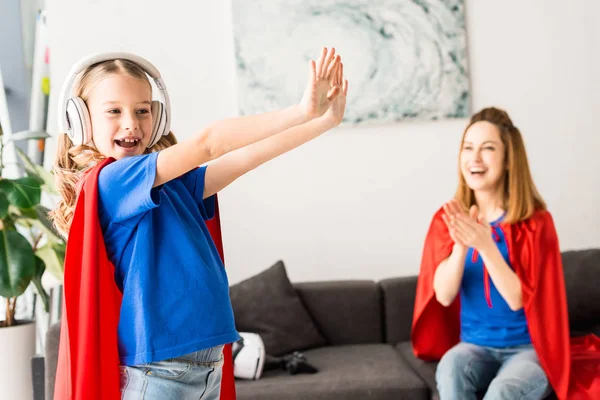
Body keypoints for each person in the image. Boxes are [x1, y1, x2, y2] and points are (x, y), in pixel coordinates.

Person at [51, 47, 348, 400]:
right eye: (114, 110)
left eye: (142, 110)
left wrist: (322, 122)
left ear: (158, 118)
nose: (131, 122)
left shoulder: (174, 184)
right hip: (156, 374)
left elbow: (246, 157)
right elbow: (210, 144)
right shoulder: (111, 182)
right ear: (81, 121)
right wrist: (299, 112)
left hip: (205, 366)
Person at [411, 107, 600, 400]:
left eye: (487, 149)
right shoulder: (445, 219)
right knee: (450, 370)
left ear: (509, 159)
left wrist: (485, 245)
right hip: (474, 347)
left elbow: (516, 300)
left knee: (502, 391)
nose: (475, 158)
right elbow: (444, 296)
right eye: (468, 148)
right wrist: (462, 242)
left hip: (529, 350)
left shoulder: (536, 223)